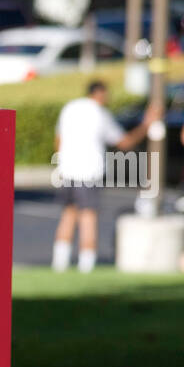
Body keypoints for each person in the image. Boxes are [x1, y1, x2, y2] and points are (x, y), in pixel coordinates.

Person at [52, 81, 159, 272]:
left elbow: (57, 141)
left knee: (68, 215)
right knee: (88, 217)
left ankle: (59, 263)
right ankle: (86, 265)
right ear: (100, 94)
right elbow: (124, 142)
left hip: (67, 169)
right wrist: (146, 124)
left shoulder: (70, 108)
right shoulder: (100, 114)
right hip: (88, 171)